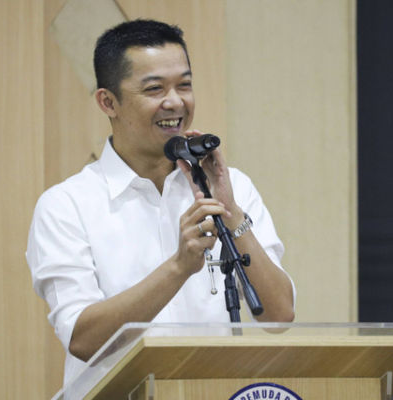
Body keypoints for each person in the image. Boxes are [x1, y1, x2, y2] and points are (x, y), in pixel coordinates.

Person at [26, 19, 295, 385]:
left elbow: (279, 316)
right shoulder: (66, 205)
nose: (175, 101)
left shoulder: (231, 188)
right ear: (108, 102)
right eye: (154, 89)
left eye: (184, 85)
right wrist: (179, 267)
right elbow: (83, 339)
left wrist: (231, 213)